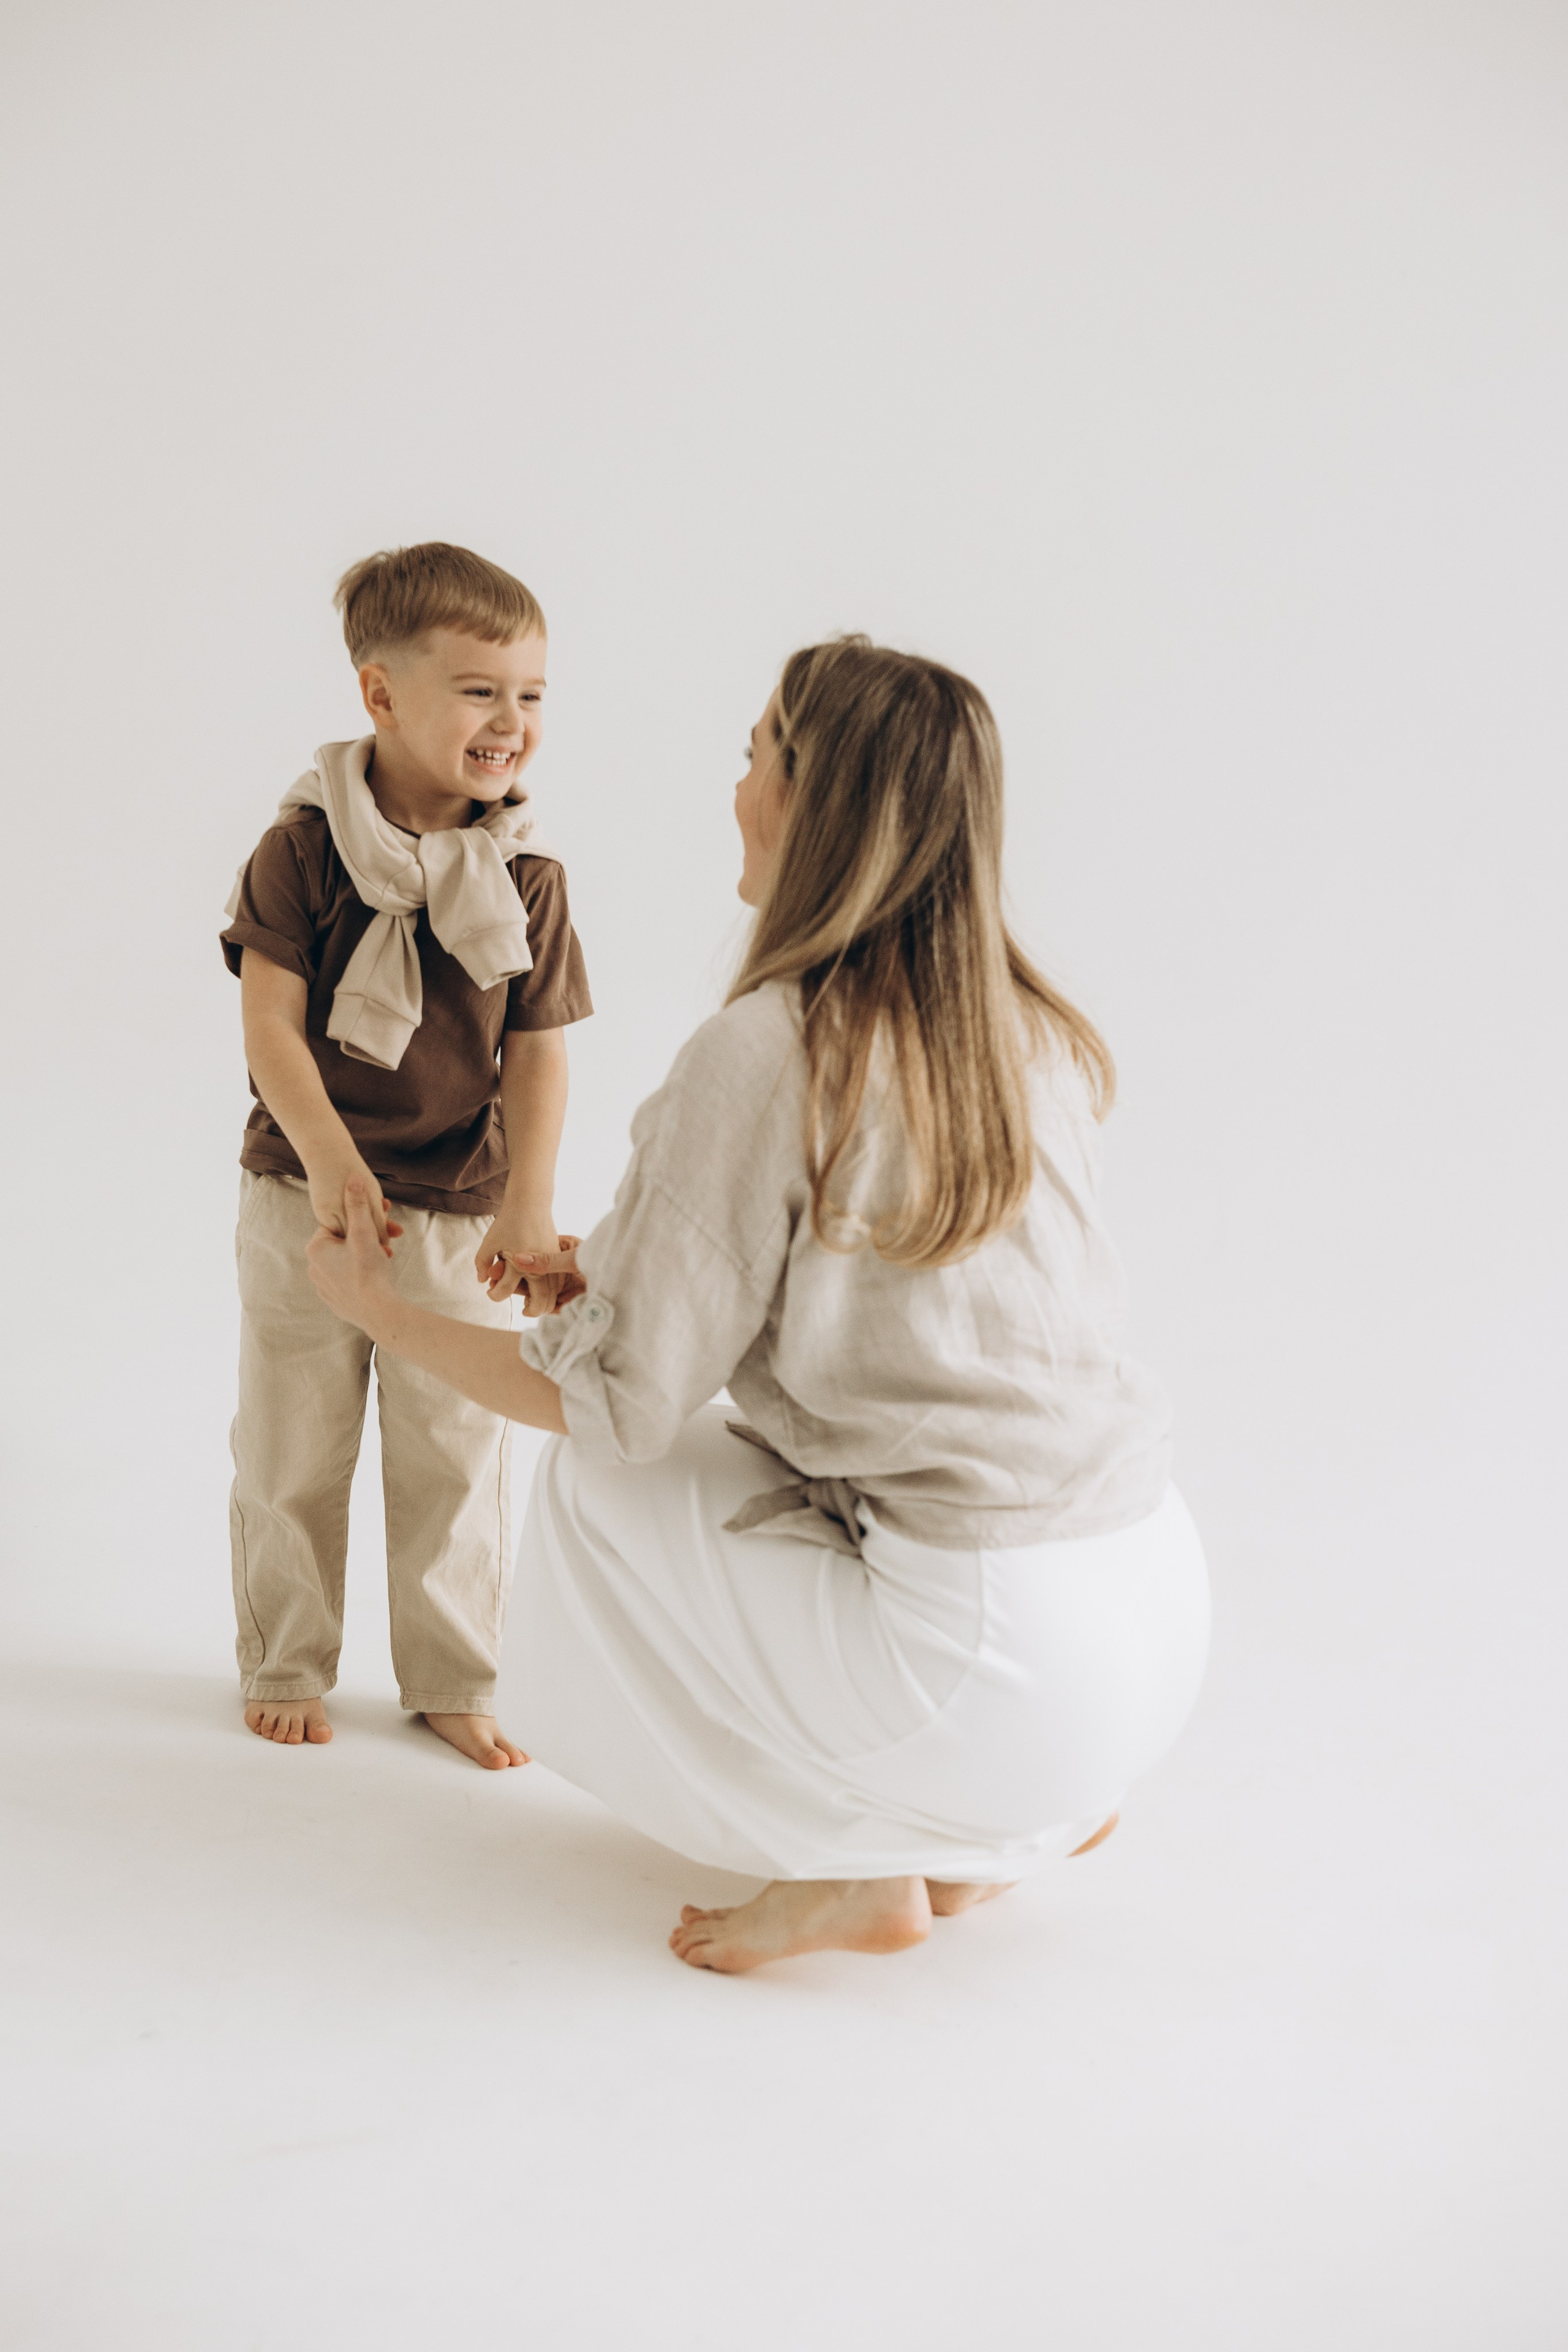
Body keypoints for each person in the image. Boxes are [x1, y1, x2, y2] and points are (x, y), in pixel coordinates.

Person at [306, 635, 1210, 1970]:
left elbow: (598, 1405)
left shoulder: (768, 1045)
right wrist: (604, 1264)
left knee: (597, 1484)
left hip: (988, 1655)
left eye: (752, 758)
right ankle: (997, 1834)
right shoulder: (1020, 1029)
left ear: (811, 802)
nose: (734, 789)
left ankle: (845, 1858)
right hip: (1148, 1623)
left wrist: (378, 1310)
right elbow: (900, 1289)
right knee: (741, 1474)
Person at [221, 542, 593, 1766]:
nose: (510, 722)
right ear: (379, 694)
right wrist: (329, 1161)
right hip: (307, 1195)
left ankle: (451, 1672)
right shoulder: (308, 848)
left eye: (529, 694)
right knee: (294, 1439)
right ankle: (285, 1659)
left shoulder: (526, 873)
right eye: (479, 690)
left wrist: (524, 1211)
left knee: (453, 1448)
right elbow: (270, 1026)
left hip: (451, 1208)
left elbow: (536, 1053)